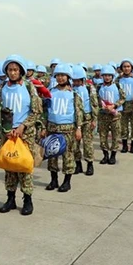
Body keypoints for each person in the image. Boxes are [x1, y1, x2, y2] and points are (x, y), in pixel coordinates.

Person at [0, 55, 42, 216]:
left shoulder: (29, 88)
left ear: (21, 71)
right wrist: (5, 128)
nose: (13, 72)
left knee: (24, 165)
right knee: (9, 165)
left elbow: (37, 111)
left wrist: (23, 126)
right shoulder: (2, 87)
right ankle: (10, 198)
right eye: (10, 70)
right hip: (8, 133)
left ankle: (27, 199)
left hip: (25, 133)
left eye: (16, 70)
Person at [42, 63, 84, 192]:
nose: (60, 78)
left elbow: (79, 112)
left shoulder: (74, 94)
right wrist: (44, 127)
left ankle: (67, 181)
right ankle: (53, 180)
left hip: (68, 129)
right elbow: (45, 111)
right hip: (52, 128)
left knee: (68, 155)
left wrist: (78, 128)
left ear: (68, 77)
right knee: (51, 155)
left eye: (63, 75)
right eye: (58, 75)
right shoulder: (50, 93)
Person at [72, 65, 98, 176]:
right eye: (74, 80)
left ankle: (90, 164)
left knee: (87, 143)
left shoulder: (89, 88)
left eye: (78, 80)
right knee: (74, 144)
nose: (76, 82)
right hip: (74, 120)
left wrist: (94, 119)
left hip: (87, 118)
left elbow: (94, 104)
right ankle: (78, 164)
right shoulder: (70, 89)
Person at [97, 65, 125, 164]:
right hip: (103, 115)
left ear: (112, 76)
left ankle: (113, 155)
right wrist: (101, 106)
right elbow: (96, 99)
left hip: (115, 115)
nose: (107, 77)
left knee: (115, 136)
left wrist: (114, 105)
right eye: (105, 75)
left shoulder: (117, 86)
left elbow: (122, 98)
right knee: (103, 136)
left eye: (109, 75)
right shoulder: (99, 86)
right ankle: (105, 155)